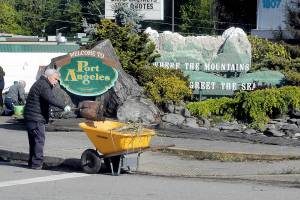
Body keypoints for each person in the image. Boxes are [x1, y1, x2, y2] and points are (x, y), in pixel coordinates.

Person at [24, 68, 71, 170]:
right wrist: (64, 106)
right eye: (55, 79)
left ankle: (32, 162)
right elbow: (51, 99)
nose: (56, 82)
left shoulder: (40, 83)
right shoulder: (44, 85)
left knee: (34, 141)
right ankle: (37, 164)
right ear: (49, 76)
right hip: (36, 117)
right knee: (39, 140)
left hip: (31, 116)